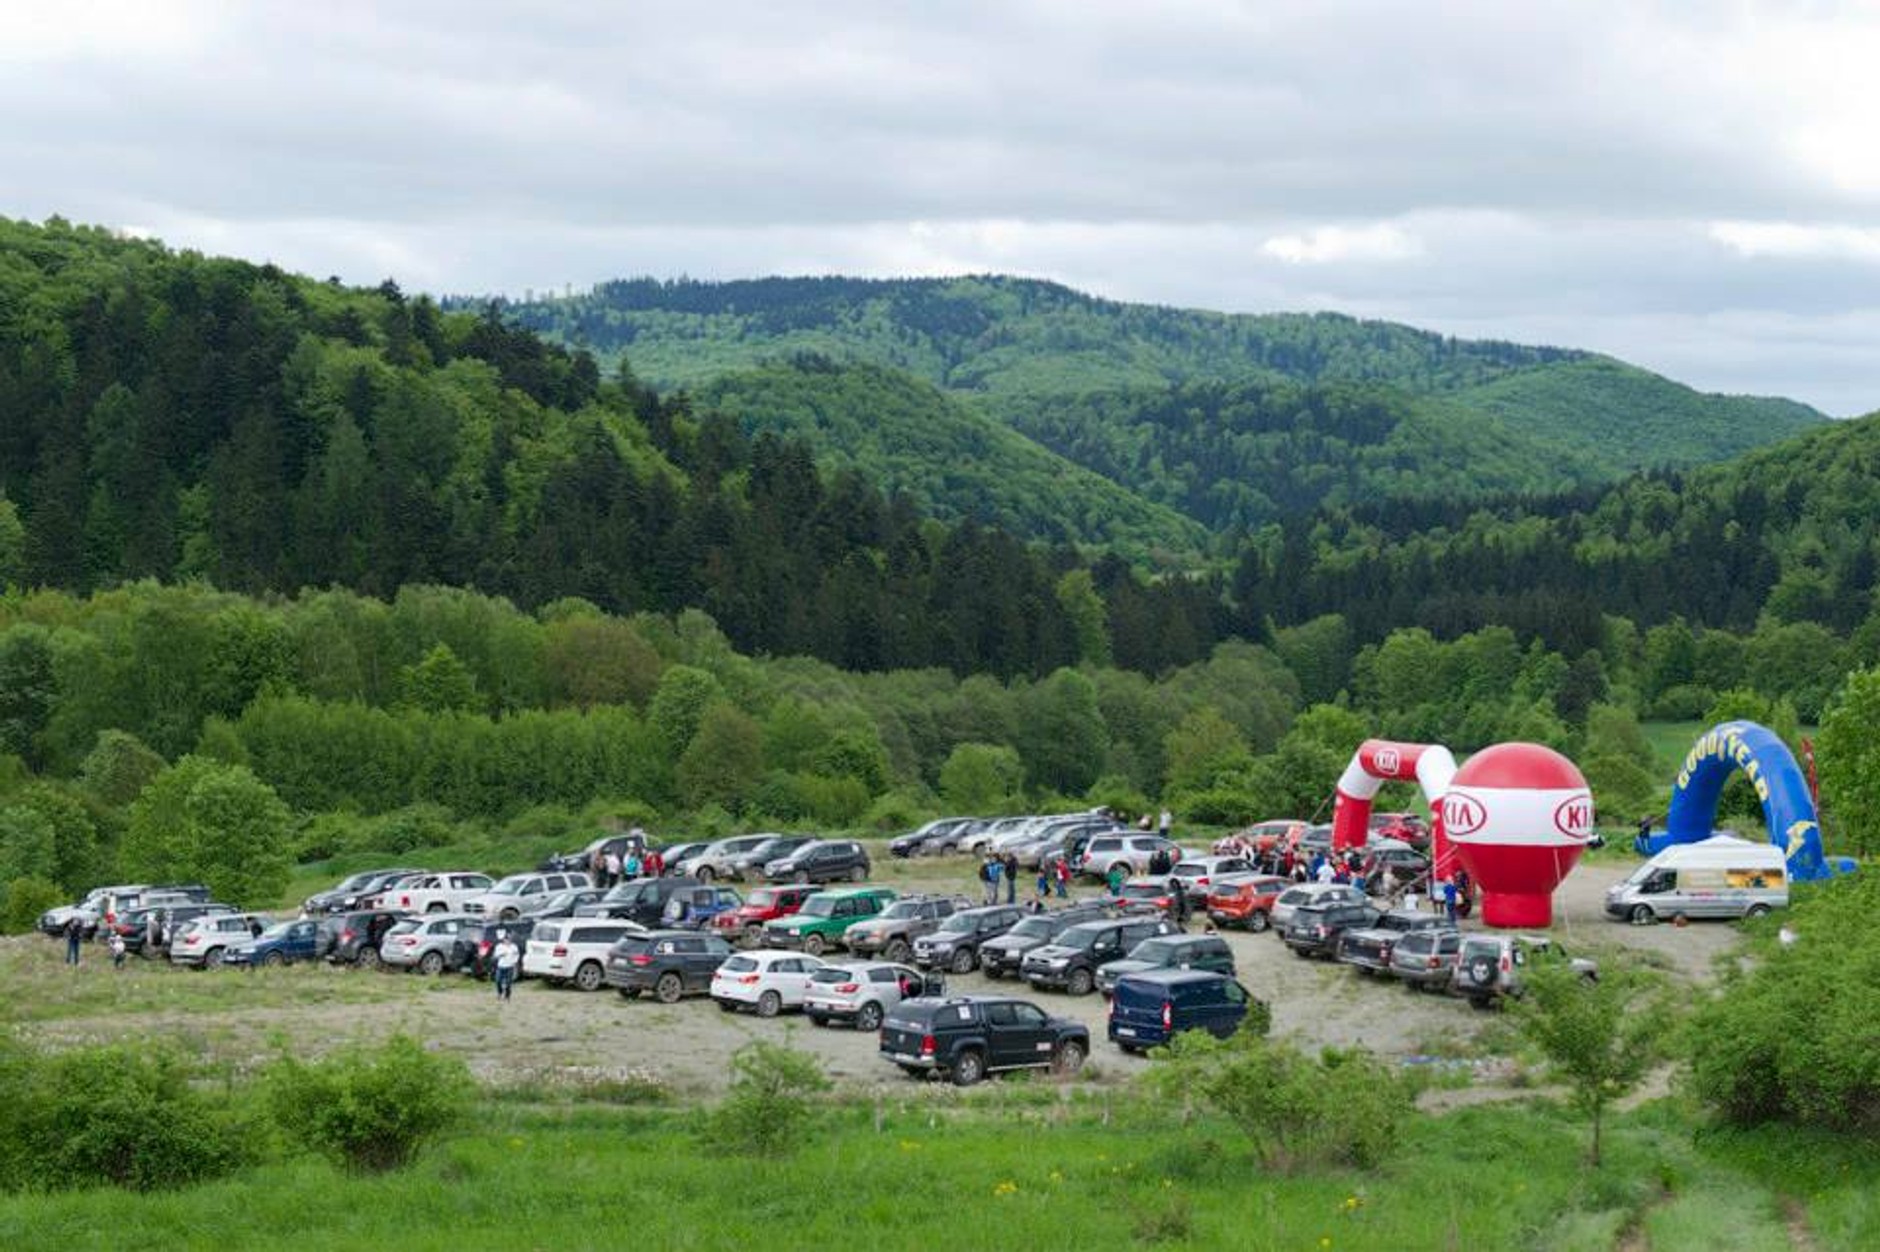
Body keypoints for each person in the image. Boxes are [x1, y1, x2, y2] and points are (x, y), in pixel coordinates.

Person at [492, 929, 520, 1000]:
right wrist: (501, 954)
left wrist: (514, 962)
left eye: (509, 939)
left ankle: (507, 995)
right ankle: (500, 993)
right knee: (498, 981)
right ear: (503, 940)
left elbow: (517, 956)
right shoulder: (499, 946)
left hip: (509, 967)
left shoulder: (514, 947)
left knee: (508, 983)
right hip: (501, 966)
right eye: (506, 939)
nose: (507, 941)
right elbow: (495, 956)